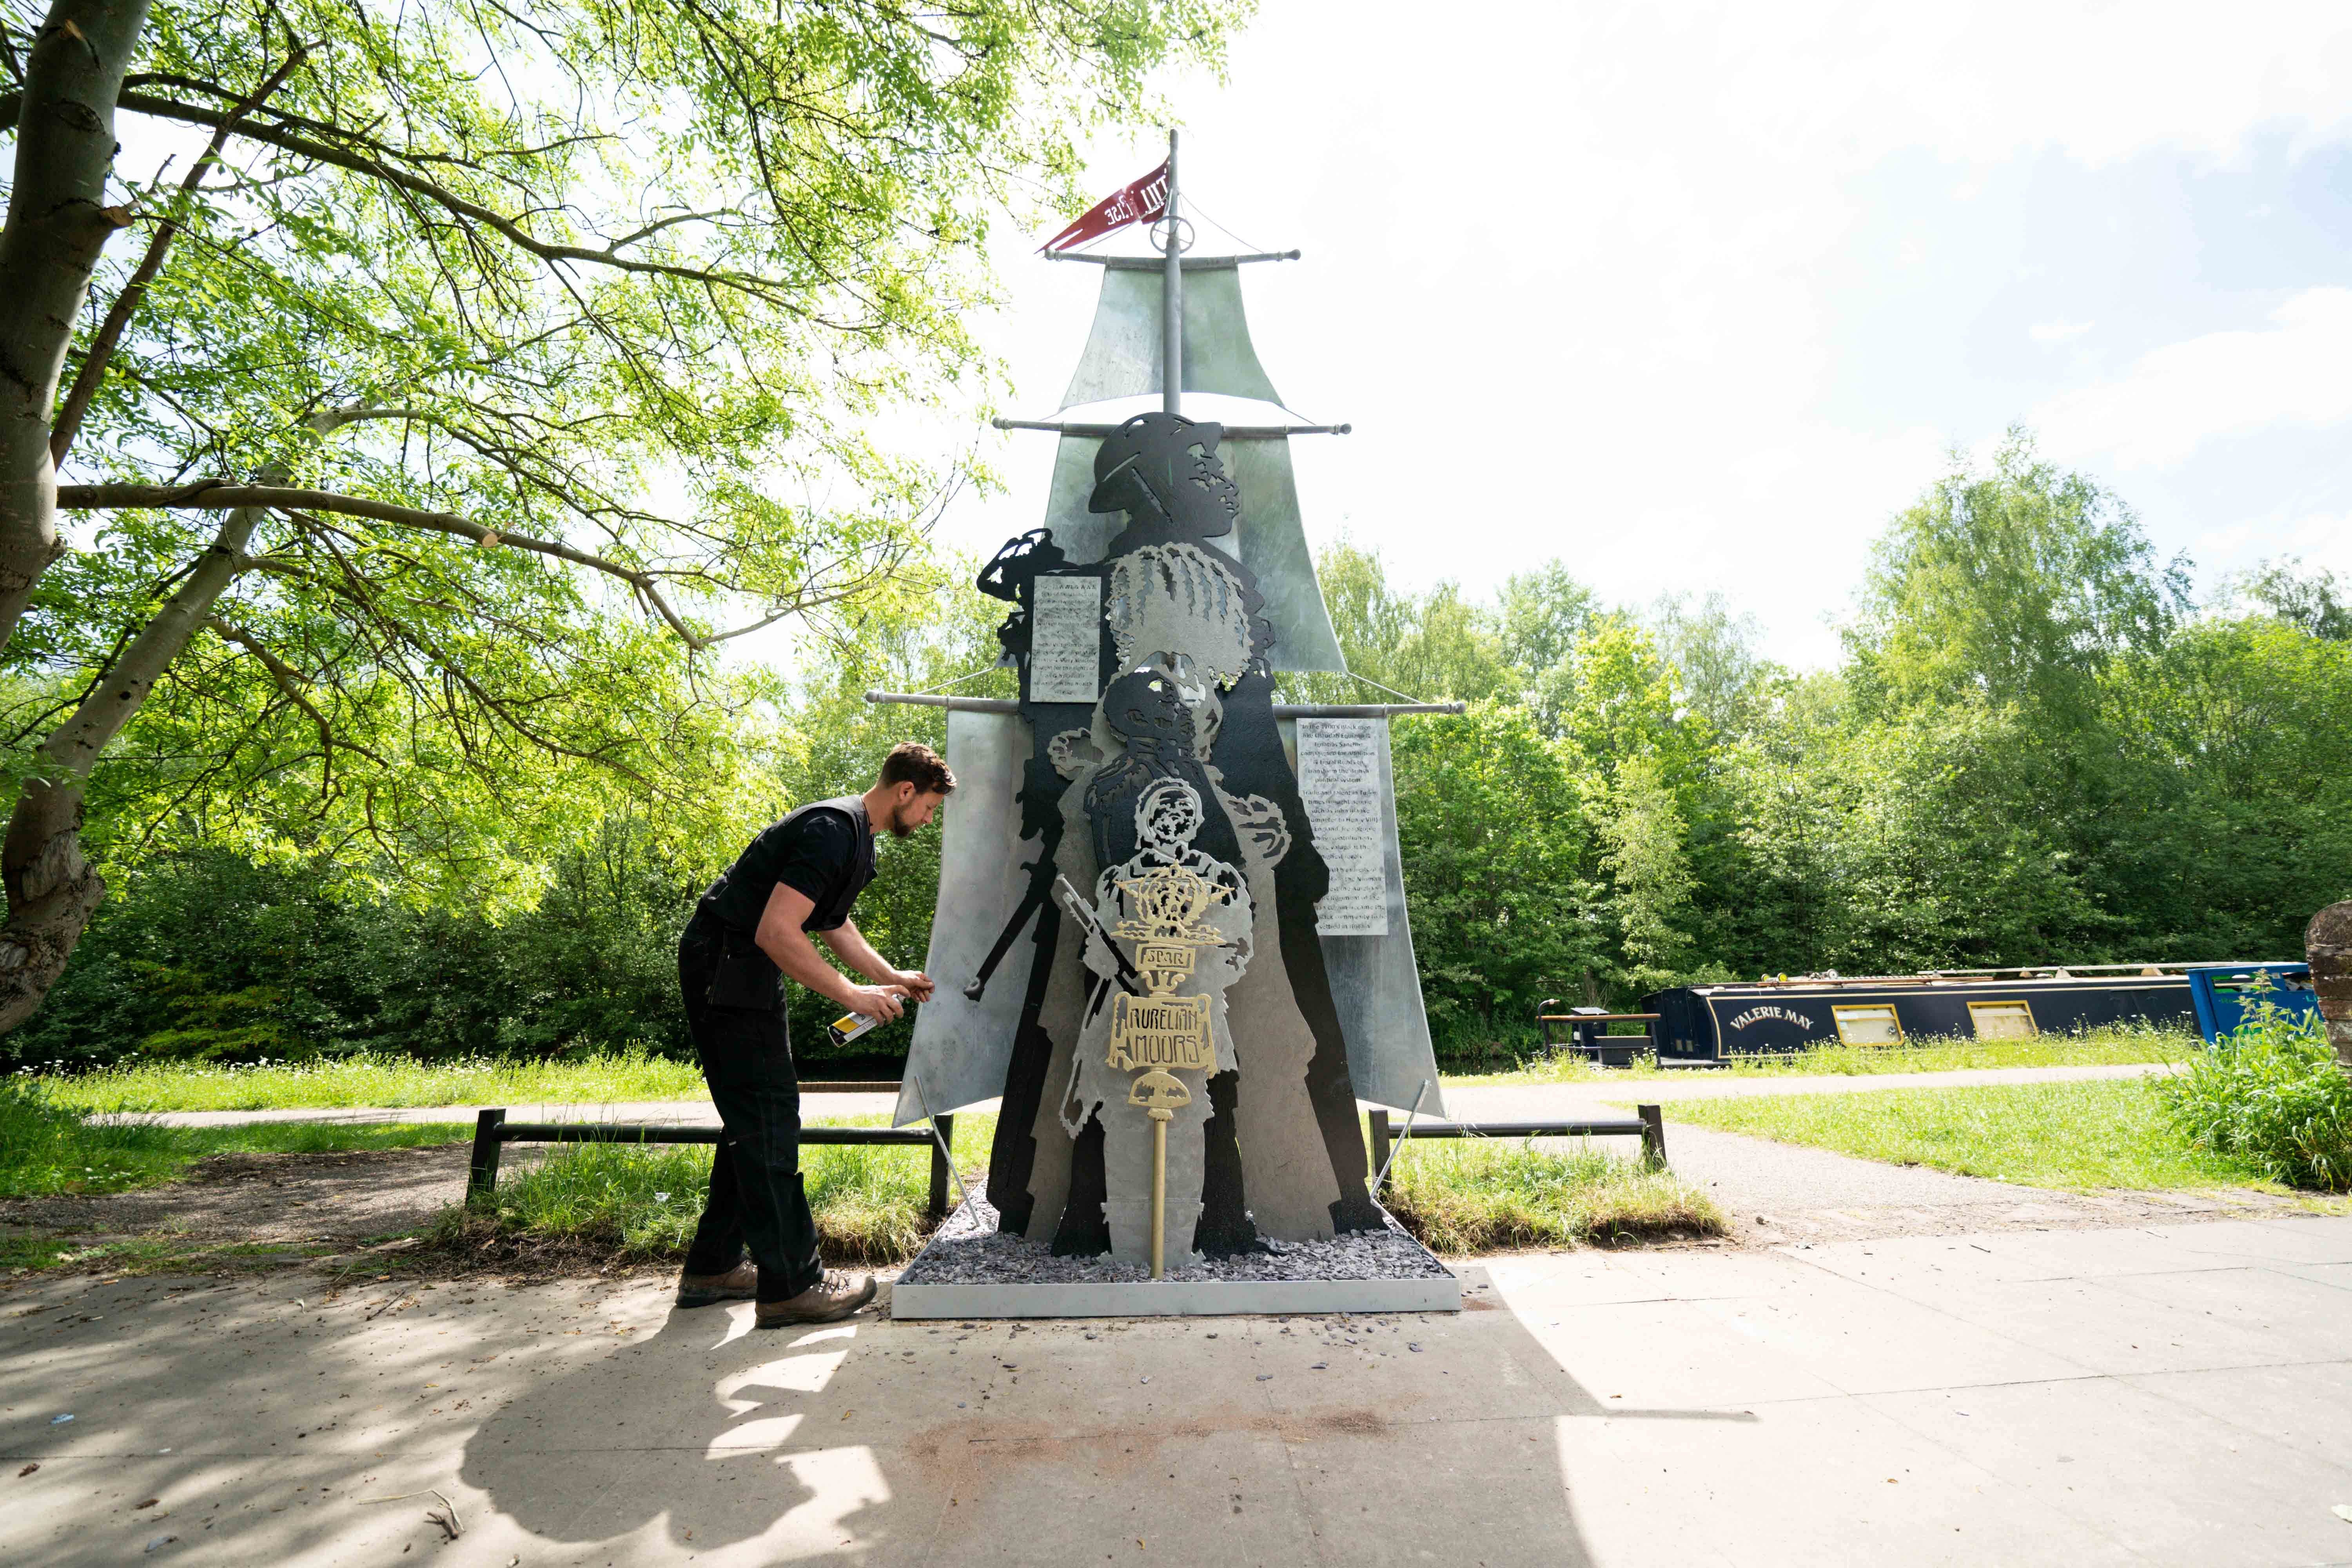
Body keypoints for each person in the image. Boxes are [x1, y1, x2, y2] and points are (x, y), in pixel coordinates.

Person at [673, 741, 955, 1326]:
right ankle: (792, 1286)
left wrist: (888, 977)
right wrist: (855, 996)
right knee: (770, 1117)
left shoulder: (855, 839)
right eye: (929, 807)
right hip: (726, 965)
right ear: (905, 791)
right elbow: (779, 931)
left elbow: (831, 923)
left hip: (740, 968)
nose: (929, 820)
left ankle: (713, 1267)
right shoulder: (831, 829)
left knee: (755, 1119)